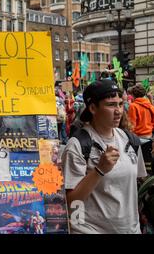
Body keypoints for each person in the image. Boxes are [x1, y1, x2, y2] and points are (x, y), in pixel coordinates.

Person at [61, 79, 147, 233]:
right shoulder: (78, 145)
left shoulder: (131, 140)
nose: (119, 110)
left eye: (120, 104)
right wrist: (99, 170)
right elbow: (71, 202)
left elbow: (133, 188)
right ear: (93, 108)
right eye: (111, 105)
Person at [127, 83, 154, 174]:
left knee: (136, 163)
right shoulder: (150, 105)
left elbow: (131, 125)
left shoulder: (133, 106)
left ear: (133, 95)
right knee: (147, 163)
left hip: (137, 138)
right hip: (149, 137)